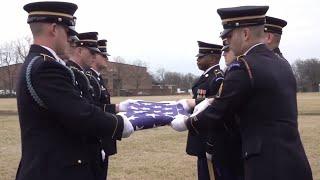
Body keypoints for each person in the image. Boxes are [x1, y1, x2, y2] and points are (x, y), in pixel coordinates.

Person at [171, 6, 313, 180]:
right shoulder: (281, 63)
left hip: (265, 165)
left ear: (245, 34)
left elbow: (219, 112)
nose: (227, 42)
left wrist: (187, 123)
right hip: (294, 159)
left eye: (229, 36)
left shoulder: (243, 67)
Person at [16, 2, 134, 180]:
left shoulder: (37, 62)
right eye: (68, 32)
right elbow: (80, 113)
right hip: (54, 170)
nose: (70, 40)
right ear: (54, 29)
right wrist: (119, 124)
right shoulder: (46, 67)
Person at [182, 41, 224, 180]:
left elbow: (218, 104)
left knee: (211, 174)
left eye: (201, 57)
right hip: (200, 133)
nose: (197, 60)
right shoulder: (206, 76)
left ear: (212, 58)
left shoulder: (217, 78)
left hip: (209, 136)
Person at [86, 39, 118, 178]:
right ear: (93, 57)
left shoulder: (97, 78)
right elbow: (91, 110)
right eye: (103, 55)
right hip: (97, 140)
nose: (106, 58)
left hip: (103, 138)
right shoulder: (89, 78)